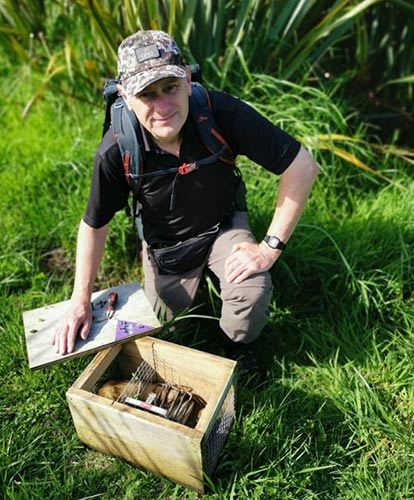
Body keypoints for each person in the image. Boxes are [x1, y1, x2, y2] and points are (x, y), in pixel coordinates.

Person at [52, 30, 319, 376]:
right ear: (125, 96)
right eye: (147, 94)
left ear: (187, 78)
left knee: (250, 298)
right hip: (166, 242)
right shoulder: (116, 149)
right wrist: (80, 300)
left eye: (170, 88)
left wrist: (269, 248)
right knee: (171, 331)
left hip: (224, 225)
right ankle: (160, 273)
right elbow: (94, 224)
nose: (163, 107)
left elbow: (302, 165)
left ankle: (237, 347)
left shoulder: (219, 112)